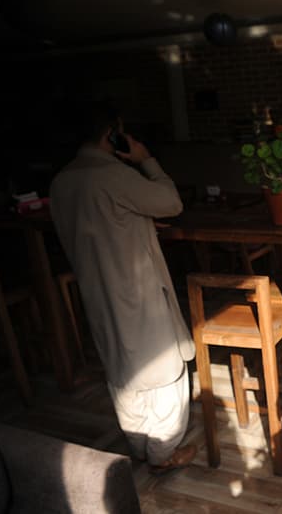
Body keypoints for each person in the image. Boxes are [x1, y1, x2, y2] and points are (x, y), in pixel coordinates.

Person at [50, 102, 197, 474]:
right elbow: (171, 203)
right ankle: (163, 454)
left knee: (121, 367)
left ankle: (137, 445)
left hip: (96, 288)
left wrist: (139, 224)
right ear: (110, 133)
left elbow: (100, 222)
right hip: (136, 287)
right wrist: (146, 160)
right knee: (162, 368)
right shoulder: (111, 173)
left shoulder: (62, 180)